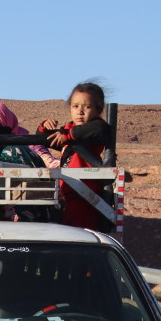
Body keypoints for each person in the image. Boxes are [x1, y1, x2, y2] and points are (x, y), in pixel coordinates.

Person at [37, 82, 114, 230]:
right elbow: (45, 140)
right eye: (75, 106)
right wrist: (44, 127)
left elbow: (100, 128)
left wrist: (68, 136)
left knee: (80, 234)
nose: (80, 111)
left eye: (87, 107)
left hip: (86, 195)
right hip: (68, 194)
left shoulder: (94, 129)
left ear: (98, 109)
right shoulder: (68, 130)